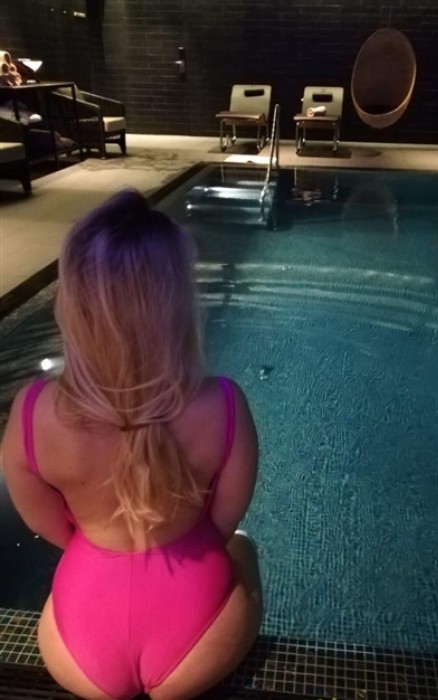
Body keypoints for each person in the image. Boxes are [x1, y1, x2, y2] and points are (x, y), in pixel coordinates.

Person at [1, 190, 262, 700]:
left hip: (77, 648)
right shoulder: (225, 403)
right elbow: (223, 524)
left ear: (73, 303)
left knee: (73, 564)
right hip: (200, 635)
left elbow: (45, 524)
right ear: (179, 302)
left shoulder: (32, 412)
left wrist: (102, 549)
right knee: (244, 547)